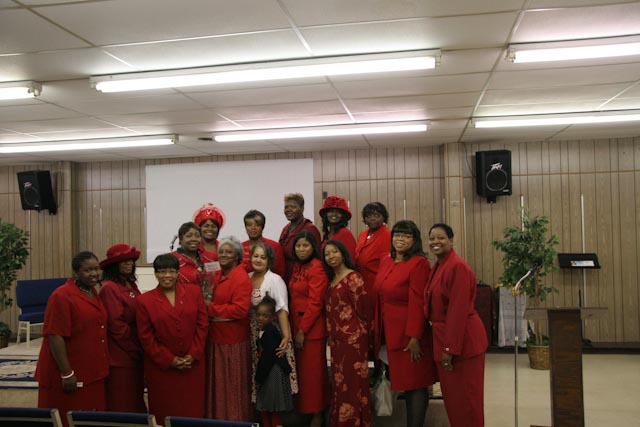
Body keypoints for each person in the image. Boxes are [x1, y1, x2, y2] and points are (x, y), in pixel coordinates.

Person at [424, 223, 488, 427]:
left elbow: (458, 312)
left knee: (467, 401)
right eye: (432, 238)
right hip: (445, 338)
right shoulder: (439, 264)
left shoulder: (457, 266)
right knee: (454, 401)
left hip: (462, 343)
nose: (436, 242)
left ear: (451, 240)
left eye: (441, 238)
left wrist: (450, 349)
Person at [35, 251, 109, 427]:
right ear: (76, 272)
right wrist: (66, 372)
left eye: (96, 269)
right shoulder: (62, 295)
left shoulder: (92, 292)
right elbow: (55, 335)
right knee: (66, 418)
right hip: (68, 372)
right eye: (87, 270)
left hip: (90, 370)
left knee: (89, 418)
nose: (94, 274)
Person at [373, 220, 435, 427]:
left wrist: (415, 336)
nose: (400, 239)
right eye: (397, 235)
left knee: (415, 383)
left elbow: (419, 302)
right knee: (403, 380)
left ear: (414, 240)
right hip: (388, 330)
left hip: (409, 333)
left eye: (406, 236)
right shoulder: (386, 260)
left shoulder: (419, 263)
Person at [135, 253, 208, 425]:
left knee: (193, 413)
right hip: (163, 370)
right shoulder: (144, 301)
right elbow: (146, 337)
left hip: (193, 366)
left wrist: (193, 354)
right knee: (165, 412)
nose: (167, 276)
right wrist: (170, 360)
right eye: (161, 272)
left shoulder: (194, 292)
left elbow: (202, 325)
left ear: (177, 273)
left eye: (171, 271)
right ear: (155, 274)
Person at [323, 240, 371, 427]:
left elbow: (364, 310)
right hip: (337, 343)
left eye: (335, 252)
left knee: (353, 385)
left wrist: (359, 335)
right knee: (340, 385)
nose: (331, 256)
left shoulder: (353, 277)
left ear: (343, 253)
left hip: (354, 341)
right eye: (327, 254)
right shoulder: (331, 279)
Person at [206, 237, 252, 421]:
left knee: (231, 387)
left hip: (232, 341)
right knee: (219, 386)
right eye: (221, 251)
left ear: (237, 256)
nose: (223, 255)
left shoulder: (240, 277)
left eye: (229, 252)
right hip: (216, 338)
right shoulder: (217, 274)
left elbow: (240, 310)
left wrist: (210, 307)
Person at [248, 243, 298, 407]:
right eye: (256, 256)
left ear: (269, 261)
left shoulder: (275, 280)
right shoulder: (247, 278)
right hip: (253, 334)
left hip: (272, 335)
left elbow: (282, 309)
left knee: (272, 377)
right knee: (259, 375)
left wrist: (286, 336)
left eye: (263, 257)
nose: (259, 260)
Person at [98, 244, 146, 413]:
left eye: (131, 260)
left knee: (135, 398)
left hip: (135, 351)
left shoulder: (130, 284)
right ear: (113, 265)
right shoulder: (109, 287)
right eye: (123, 261)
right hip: (121, 355)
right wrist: (135, 348)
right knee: (122, 401)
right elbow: (116, 326)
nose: (129, 264)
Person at [289, 231, 330, 427]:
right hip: (296, 327)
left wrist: (302, 331)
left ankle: (317, 415)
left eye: (305, 246)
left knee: (313, 377)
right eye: (298, 246)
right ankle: (307, 413)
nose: (301, 249)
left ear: (313, 247)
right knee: (303, 377)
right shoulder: (298, 266)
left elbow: (316, 303)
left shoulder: (317, 267)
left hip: (310, 332)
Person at [255, 295, 294, 427]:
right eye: (259, 315)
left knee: (269, 406)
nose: (260, 318)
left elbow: (268, 358)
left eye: (265, 316)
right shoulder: (265, 331)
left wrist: (259, 378)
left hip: (272, 373)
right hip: (271, 372)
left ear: (272, 318)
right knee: (271, 407)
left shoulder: (270, 333)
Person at [355, 202, 391, 332]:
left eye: (377, 215)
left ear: (383, 217)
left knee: (376, 319)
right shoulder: (363, 234)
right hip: (362, 282)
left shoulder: (387, 234)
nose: (373, 219)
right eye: (369, 216)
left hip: (376, 282)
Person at [279, 193, 321, 283]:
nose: (288, 210)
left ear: (302, 208)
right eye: (286, 207)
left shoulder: (310, 228)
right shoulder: (286, 229)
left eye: (293, 207)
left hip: (303, 280)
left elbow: (317, 257)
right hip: (286, 278)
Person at [242, 209, 286, 277]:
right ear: (245, 227)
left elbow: (280, 274)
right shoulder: (240, 248)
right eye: (249, 225)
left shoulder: (274, 247)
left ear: (263, 227)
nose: (253, 228)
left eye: (257, 225)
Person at [171, 222, 212, 292]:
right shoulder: (171, 259)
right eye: (189, 236)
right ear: (180, 239)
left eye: (197, 236)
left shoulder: (210, 258)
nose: (194, 239)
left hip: (208, 301)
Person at [319, 196, 357, 262]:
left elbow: (351, 260)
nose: (334, 214)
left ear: (343, 216)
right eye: (331, 211)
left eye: (338, 212)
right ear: (326, 214)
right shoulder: (328, 234)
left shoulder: (345, 234)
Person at [193, 203, 226, 267]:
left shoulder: (223, 248)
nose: (210, 229)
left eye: (213, 226)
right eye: (206, 226)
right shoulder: (193, 247)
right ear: (200, 228)